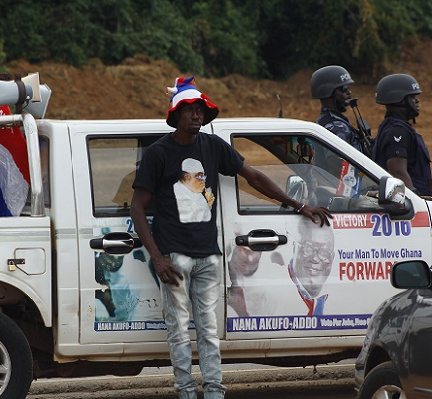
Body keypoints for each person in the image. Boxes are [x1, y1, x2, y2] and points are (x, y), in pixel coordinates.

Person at [130, 76, 331, 399]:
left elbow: (253, 177)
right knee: (179, 330)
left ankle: (214, 392)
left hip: (208, 255)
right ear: (176, 115)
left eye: (200, 110)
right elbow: (138, 208)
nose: (197, 115)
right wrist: (157, 257)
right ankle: (185, 391)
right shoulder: (159, 154)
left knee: (208, 330)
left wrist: (299, 205)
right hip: (174, 257)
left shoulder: (212, 146)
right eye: (190, 110)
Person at [372, 73, 432, 196]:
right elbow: (398, 172)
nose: (417, 100)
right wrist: (415, 201)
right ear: (399, 100)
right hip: (411, 207)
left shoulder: (398, 128)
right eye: (412, 97)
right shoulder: (396, 130)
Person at [311, 65, 371, 155]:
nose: (349, 92)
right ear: (329, 93)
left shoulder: (327, 120)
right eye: (344, 89)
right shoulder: (337, 127)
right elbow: (336, 165)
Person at [288, 217, 335, 316]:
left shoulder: (341, 297)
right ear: (294, 248)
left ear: (332, 258)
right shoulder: (269, 294)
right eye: (308, 248)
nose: (314, 258)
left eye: (324, 252)